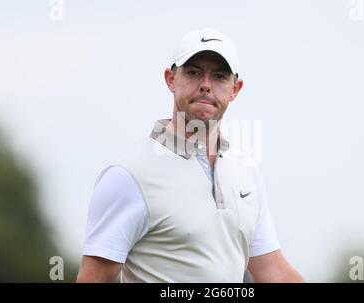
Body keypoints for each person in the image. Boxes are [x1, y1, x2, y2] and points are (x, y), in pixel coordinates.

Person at [77, 28, 303, 283]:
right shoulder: (128, 176)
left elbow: (272, 271)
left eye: (219, 76)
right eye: (194, 72)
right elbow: (95, 278)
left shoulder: (247, 173)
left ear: (235, 89)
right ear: (170, 79)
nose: (206, 85)